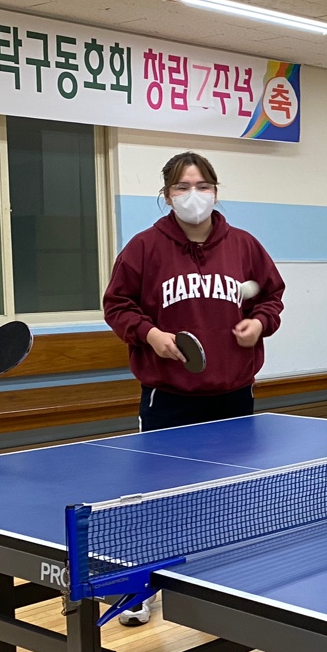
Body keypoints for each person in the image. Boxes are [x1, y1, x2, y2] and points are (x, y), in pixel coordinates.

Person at [103, 150, 285, 625]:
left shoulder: (243, 245)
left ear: (215, 191)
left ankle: (221, 586)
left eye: (202, 186)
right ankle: (141, 588)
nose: (193, 195)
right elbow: (117, 305)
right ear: (166, 195)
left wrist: (259, 324)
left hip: (233, 395)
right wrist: (150, 335)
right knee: (158, 498)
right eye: (182, 187)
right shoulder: (144, 247)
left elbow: (272, 297)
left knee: (228, 495)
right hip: (169, 397)